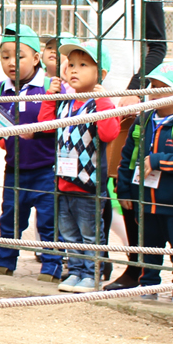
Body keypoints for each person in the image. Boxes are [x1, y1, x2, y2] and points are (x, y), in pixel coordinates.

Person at [43, 37, 120, 292]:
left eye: (83, 65)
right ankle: (75, 271)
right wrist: (50, 97)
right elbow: (45, 124)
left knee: (90, 234)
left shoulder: (100, 103)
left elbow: (109, 133)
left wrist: (104, 101)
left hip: (88, 183)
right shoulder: (66, 102)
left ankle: (92, 273)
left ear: (102, 73)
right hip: (63, 181)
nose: (74, 69)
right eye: (72, 64)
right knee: (70, 234)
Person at [0, 24, 62, 282]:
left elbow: (62, 124)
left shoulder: (50, 88)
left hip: (46, 168)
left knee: (48, 221)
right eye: (5, 56)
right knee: (9, 218)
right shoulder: (0, 90)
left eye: (18, 56)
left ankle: (52, 266)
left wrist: (39, 133)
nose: (11, 62)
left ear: (35, 58)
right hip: (14, 170)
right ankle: (5, 262)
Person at [116, 61, 173, 301]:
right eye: (153, 85)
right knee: (148, 245)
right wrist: (125, 189)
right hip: (144, 199)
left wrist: (158, 160)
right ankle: (148, 284)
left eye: (163, 88)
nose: (154, 91)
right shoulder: (143, 120)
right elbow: (128, 157)